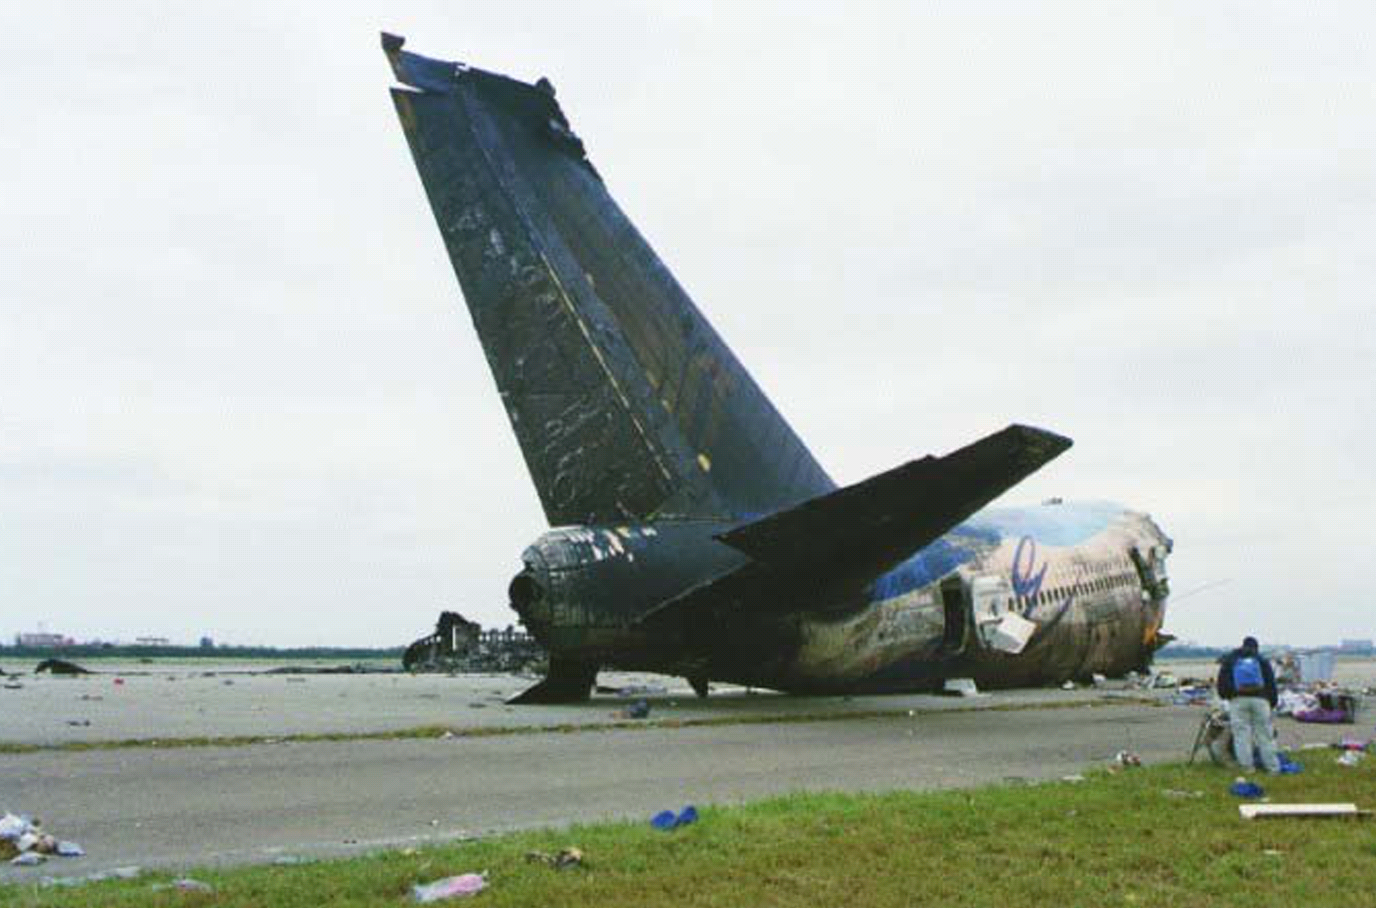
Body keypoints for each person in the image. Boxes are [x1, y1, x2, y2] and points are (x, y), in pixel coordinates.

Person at [1216, 636, 1281, 773]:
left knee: (1241, 736)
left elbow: (1221, 683)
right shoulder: (1261, 660)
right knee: (1265, 735)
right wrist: (1272, 703)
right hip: (1261, 700)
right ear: (1256, 647)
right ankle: (1273, 768)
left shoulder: (1231, 659)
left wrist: (1228, 696)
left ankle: (1247, 768)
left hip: (1238, 700)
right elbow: (1271, 683)